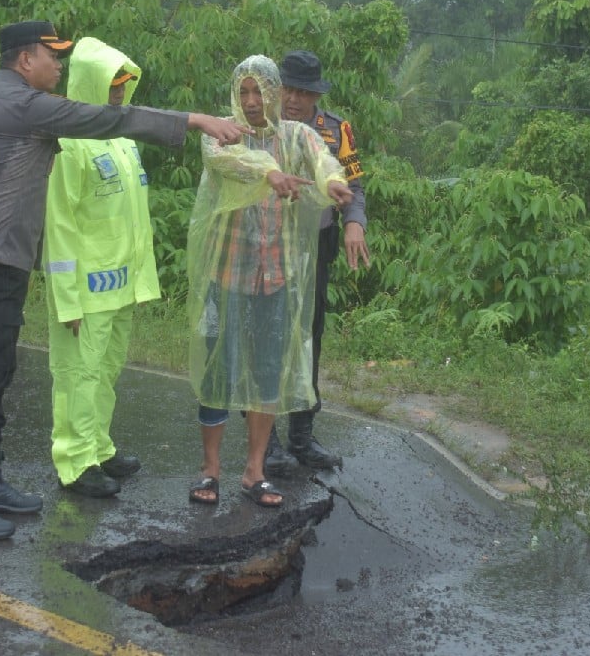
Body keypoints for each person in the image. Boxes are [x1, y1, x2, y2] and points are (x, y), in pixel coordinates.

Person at [0, 20, 249, 540]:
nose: (60, 66)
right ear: (25, 59)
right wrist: (194, 120)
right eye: (52, 56)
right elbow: (102, 119)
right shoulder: (19, 104)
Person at [186, 55, 352, 508]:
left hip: (275, 275)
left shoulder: (298, 134)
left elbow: (322, 157)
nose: (252, 101)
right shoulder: (222, 131)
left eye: (260, 92)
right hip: (228, 273)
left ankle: (254, 471)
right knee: (219, 369)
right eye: (244, 92)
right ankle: (210, 470)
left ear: (276, 94)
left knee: (266, 373)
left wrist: (333, 181)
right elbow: (229, 160)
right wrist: (269, 172)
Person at [42, 37, 160, 499]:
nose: (119, 93)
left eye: (125, 84)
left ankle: (99, 447)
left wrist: (140, 278)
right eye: (112, 84)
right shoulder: (68, 144)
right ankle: (74, 462)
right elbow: (60, 226)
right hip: (85, 290)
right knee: (78, 375)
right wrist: (66, 297)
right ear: (91, 83)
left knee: (106, 372)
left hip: (123, 285)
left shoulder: (123, 140)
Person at [264, 50, 370, 476]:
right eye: (287, 89)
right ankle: (266, 441)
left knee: (309, 334)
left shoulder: (336, 129)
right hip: (267, 241)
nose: (293, 99)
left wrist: (353, 223)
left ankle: (302, 437)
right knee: (268, 333)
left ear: (316, 94)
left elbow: (354, 184)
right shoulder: (259, 125)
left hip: (318, 242)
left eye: (303, 92)